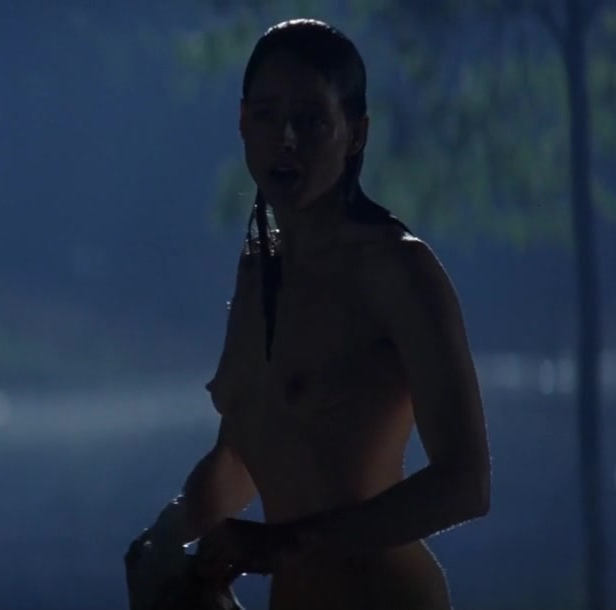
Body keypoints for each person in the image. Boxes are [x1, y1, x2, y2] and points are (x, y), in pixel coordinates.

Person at [124, 18, 492, 610]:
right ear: (242, 123)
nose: (286, 138)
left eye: (311, 120)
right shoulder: (259, 271)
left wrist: (286, 541)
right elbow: (242, 455)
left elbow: (466, 484)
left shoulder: (399, 272)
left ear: (355, 133)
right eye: (267, 116)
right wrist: (165, 538)